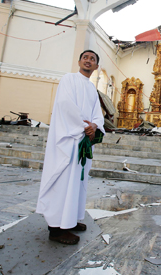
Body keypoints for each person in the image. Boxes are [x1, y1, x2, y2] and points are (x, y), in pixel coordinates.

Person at [36, 50, 105, 245]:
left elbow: (97, 114)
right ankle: (56, 229)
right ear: (79, 62)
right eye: (86, 58)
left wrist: (94, 126)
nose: (88, 61)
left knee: (77, 183)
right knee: (64, 182)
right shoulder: (68, 79)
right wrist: (85, 126)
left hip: (82, 141)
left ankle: (70, 220)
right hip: (68, 141)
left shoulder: (92, 89)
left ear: (96, 66)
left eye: (93, 59)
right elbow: (65, 105)